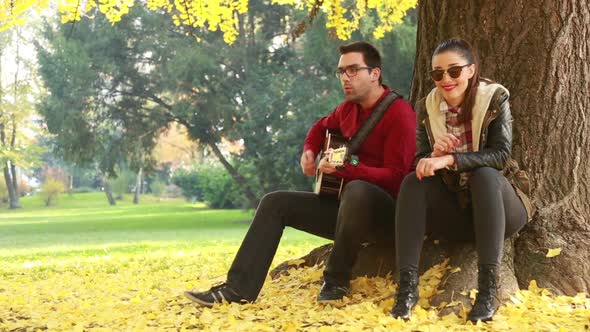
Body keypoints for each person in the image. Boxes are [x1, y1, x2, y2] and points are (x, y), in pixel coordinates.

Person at [184, 41, 416, 307]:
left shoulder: (400, 113)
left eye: (353, 70)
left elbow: (398, 178)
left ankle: (336, 280)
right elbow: (320, 128)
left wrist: (347, 170)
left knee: (357, 189)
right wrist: (309, 151)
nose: (345, 78)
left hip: (387, 220)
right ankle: (237, 290)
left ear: (375, 74)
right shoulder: (347, 109)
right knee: (274, 203)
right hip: (346, 214)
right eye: (341, 72)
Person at [389, 38, 533, 323]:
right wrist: (434, 154)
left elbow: (501, 156)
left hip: (499, 210)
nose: (446, 79)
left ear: (471, 70)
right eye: (438, 73)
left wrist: (451, 160)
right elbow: (419, 163)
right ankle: (406, 289)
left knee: (484, 176)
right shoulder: (427, 107)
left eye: (454, 71)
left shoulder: (494, 98)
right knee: (412, 182)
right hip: (456, 213)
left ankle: (487, 290)